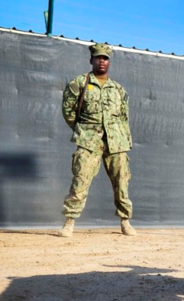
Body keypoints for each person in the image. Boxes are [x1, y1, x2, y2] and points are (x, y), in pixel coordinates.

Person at [59, 43, 135, 237]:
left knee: (122, 182)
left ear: (109, 62)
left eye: (106, 58)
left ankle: (125, 221)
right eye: (99, 57)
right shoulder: (79, 83)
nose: (102, 61)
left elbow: (124, 117)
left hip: (116, 141)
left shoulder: (118, 89)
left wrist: (125, 140)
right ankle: (69, 222)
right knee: (81, 179)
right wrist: (83, 131)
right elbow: (68, 111)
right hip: (88, 140)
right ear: (91, 60)